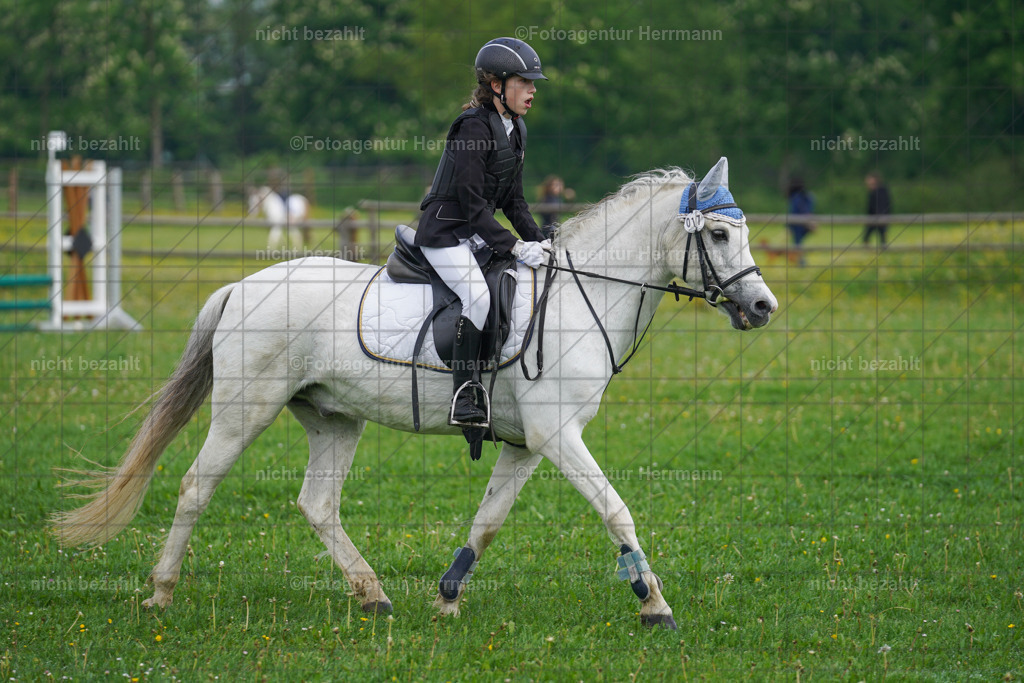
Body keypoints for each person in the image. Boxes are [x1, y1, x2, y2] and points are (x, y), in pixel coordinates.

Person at [416, 37, 551, 427]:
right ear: (496, 85)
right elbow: (474, 207)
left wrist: (543, 242)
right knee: (476, 296)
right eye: (524, 82)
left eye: (532, 82)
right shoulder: (471, 128)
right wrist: (515, 246)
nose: (532, 89)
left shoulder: (517, 129)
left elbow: (515, 204)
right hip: (444, 233)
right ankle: (465, 395)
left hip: (474, 235)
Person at [786, 177, 815, 266]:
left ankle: (801, 262)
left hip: (797, 224)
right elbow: (810, 208)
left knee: (797, 243)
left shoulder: (795, 197)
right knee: (799, 243)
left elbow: (793, 211)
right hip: (806, 223)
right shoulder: (808, 196)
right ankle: (800, 261)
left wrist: (788, 226)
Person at [864, 172, 891, 246]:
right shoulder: (873, 192)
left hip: (880, 217)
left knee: (881, 237)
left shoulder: (881, 191)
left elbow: (884, 205)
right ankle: (868, 249)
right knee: (868, 236)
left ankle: (882, 250)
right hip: (874, 217)